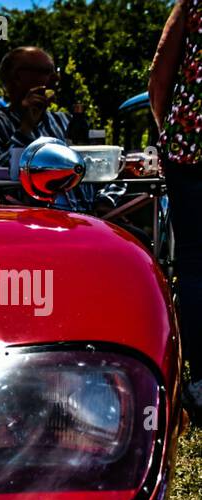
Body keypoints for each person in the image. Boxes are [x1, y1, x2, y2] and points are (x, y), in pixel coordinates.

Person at [151, 0, 202, 411]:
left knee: (195, 262)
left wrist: (171, 134)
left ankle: (201, 379)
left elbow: (160, 76)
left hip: (192, 145)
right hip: (189, 146)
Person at [0, 46, 93, 212]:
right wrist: (26, 128)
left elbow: (99, 165)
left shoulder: (66, 122)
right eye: (46, 71)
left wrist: (107, 200)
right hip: (29, 223)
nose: (55, 78)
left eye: (55, 71)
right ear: (17, 77)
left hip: (87, 218)